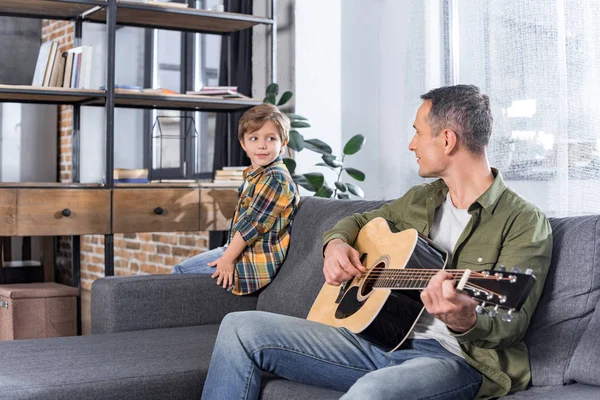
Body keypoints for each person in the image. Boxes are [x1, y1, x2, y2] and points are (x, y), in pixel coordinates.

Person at [201, 85, 553, 399]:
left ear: (447, 140)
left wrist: (464, 320)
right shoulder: (422, 199)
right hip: (377, 337)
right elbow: (357, 221)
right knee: (239, 326)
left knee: (373, 391)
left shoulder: (523, 220)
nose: (411, 144)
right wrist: (336, 244)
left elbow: (512, 322)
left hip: (454, 359)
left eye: (418, 133)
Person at [171, 103, 299, 295]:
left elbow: (252, 225)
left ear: (282, 143)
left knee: (179, 272)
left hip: (253, 260)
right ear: (243, 143)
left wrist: (227, 259)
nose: (261, 145)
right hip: (238, 250)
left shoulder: (275, 178)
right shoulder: (257, 174)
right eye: (254, 138)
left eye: (270, 138)